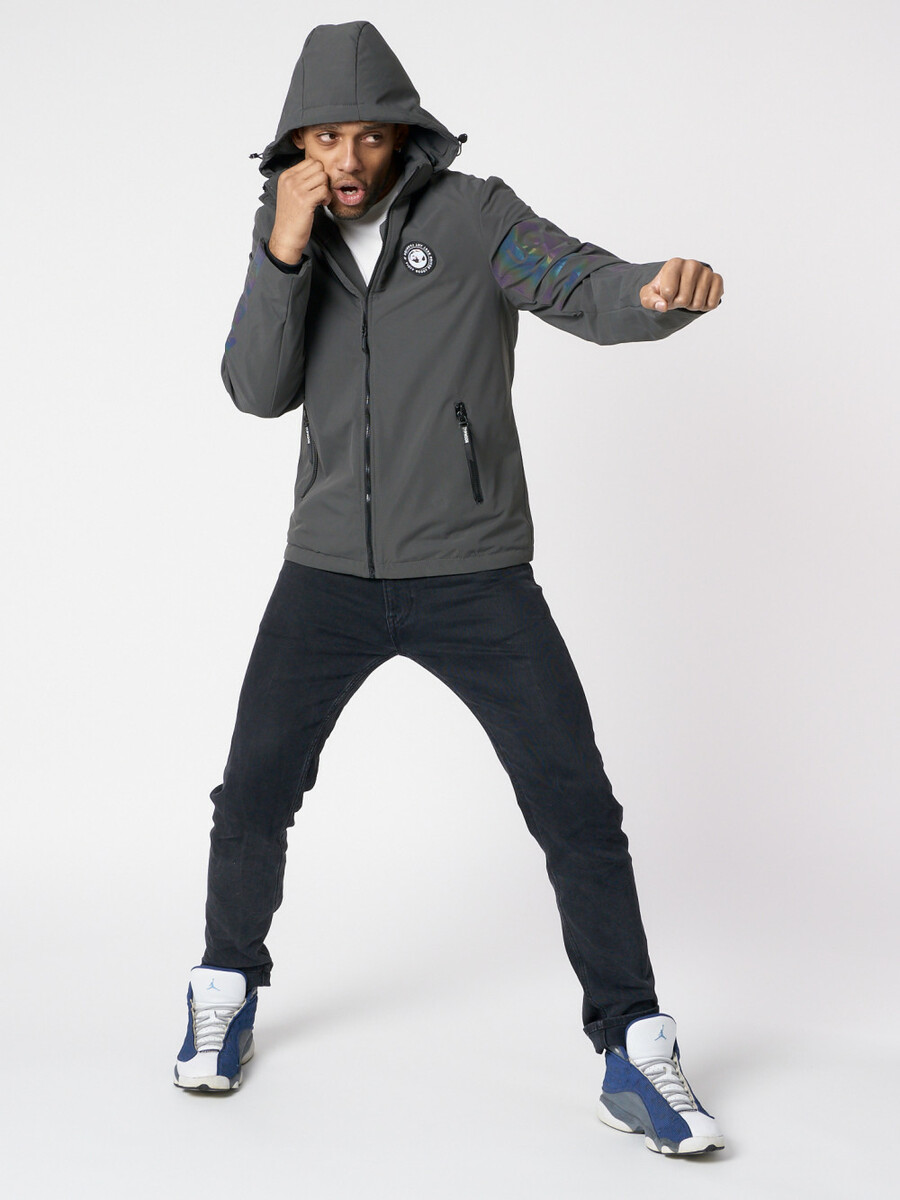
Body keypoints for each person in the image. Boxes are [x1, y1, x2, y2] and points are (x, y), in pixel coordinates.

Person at [173, 19, 725, 1157]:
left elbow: (582, 285)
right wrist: (281, 249)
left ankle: (634, 1044)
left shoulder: (473, 218)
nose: (347, 160)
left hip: (475, 570)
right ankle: (224, 985)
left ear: (404, 137)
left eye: (369, 137)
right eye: (324, 138)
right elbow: (255, 389)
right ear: (294, 145)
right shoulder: (290, 233)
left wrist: (657, 295)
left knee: (575, 805)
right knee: (254, 791)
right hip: (326, 572)